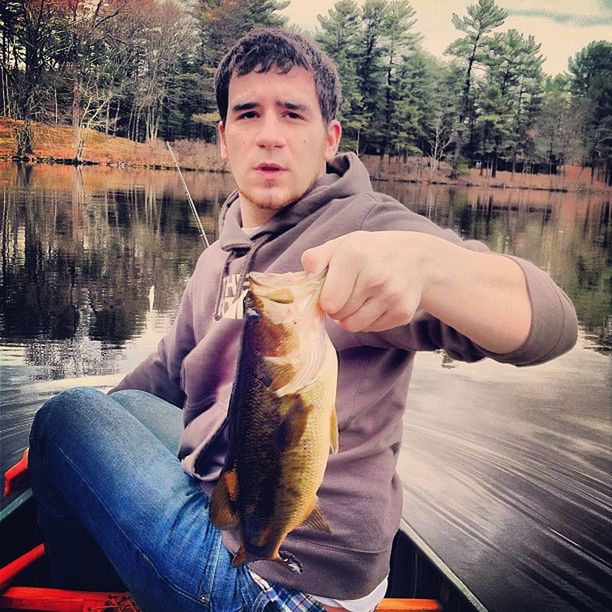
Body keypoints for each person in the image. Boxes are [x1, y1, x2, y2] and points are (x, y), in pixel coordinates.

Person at [29, 28, 578, 612]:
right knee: (114, 408)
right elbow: (166, 372)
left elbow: (553, 324)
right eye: (248, 114)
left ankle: (92, 581)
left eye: (293, 114)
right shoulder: (219, 256)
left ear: (328, 138)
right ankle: (117, 564)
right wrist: (111, 423)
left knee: (64, 419)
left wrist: (430, 268)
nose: (269, 135)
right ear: (223, 139)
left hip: (285, 578)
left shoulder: (372, 231)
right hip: (235, 505)